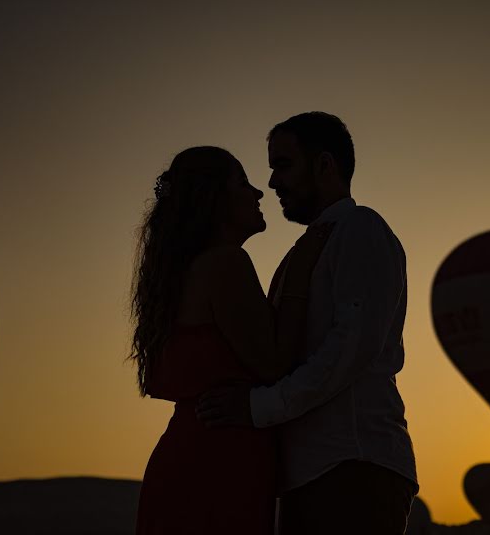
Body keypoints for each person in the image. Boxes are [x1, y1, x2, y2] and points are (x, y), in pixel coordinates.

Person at [197, 112, 419, 534]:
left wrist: (257, 407)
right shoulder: (310, 248)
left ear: (324, 165)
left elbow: (348, 349)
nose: (273, 183)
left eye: (283, 165)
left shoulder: (360, 229)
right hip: (311, 472)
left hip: (351, 464)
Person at [131, 146, 333, 534]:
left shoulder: (185, 274)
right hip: (219, 459)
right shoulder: (225, 263)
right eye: (242, 182)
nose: (259, 193)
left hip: (197, 454)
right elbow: (273, 363)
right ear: (214, 199)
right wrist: (301, 271)